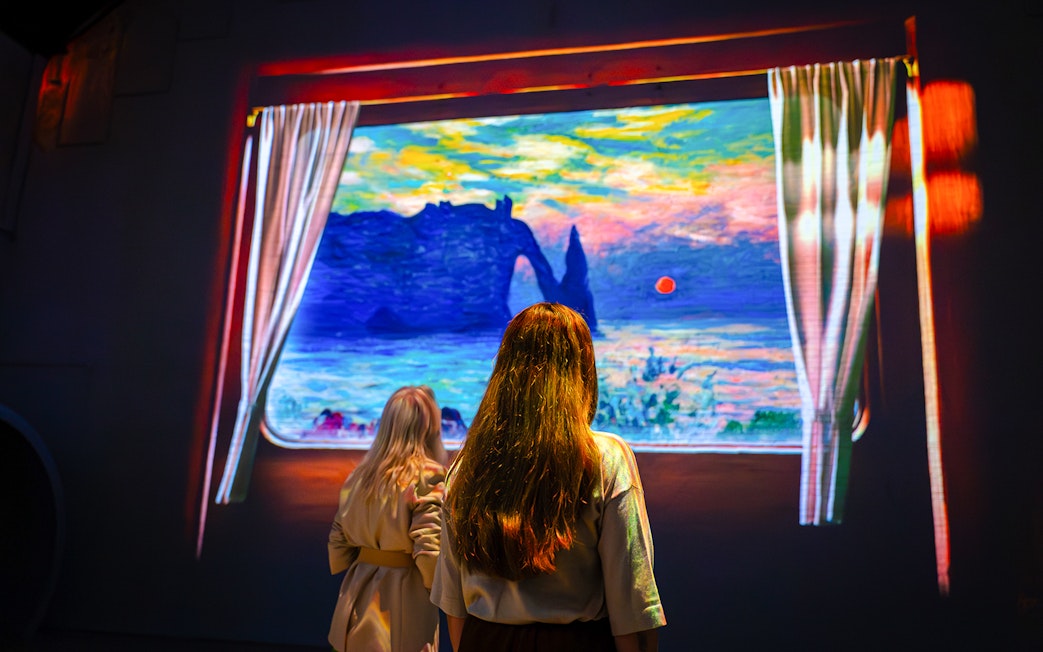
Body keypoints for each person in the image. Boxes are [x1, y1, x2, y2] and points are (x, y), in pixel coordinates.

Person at [431, 303, 666, 652]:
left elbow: (454, 603)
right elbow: (631, 600)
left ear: (505, 368)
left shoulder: (467, 464)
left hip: (486, 640)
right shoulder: (605, 458)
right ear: (583, 369)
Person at [327, 385, 449, 652]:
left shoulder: (359, 476)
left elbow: (338, 542)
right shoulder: (429, 475)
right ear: (429, 427)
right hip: (403, 599)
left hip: (356, 594)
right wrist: (442, 593)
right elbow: (429, 550)